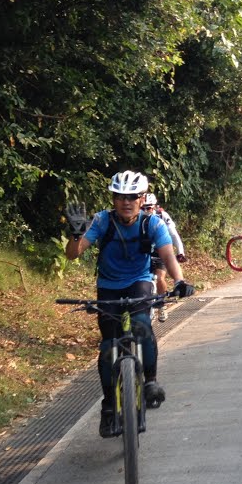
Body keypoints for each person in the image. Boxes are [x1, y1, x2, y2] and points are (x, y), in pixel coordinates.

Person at [64, 171, 194, 437]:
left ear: (142, 198)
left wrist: (179, 281)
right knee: (108, 345)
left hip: (139, 282)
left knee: (142, 324)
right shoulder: (102, 221)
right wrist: (76, 236)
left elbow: (167, 256)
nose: (127, 202)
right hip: (108, 287)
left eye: (133, 197)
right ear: (113, 198)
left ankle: (151, 382)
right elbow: (72, 255)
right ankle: (109, 407)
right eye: (121, 197)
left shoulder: (152, 224)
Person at [141, 192, 187, 323]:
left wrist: (180, 252)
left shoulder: (162, 216)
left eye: (149, 208)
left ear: (155, 207)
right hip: (144, 253)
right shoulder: (135, 218)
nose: (146, 211)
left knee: (160, 278)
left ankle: (161, 305)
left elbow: (173, 234)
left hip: (160, 251)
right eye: (143, 208)